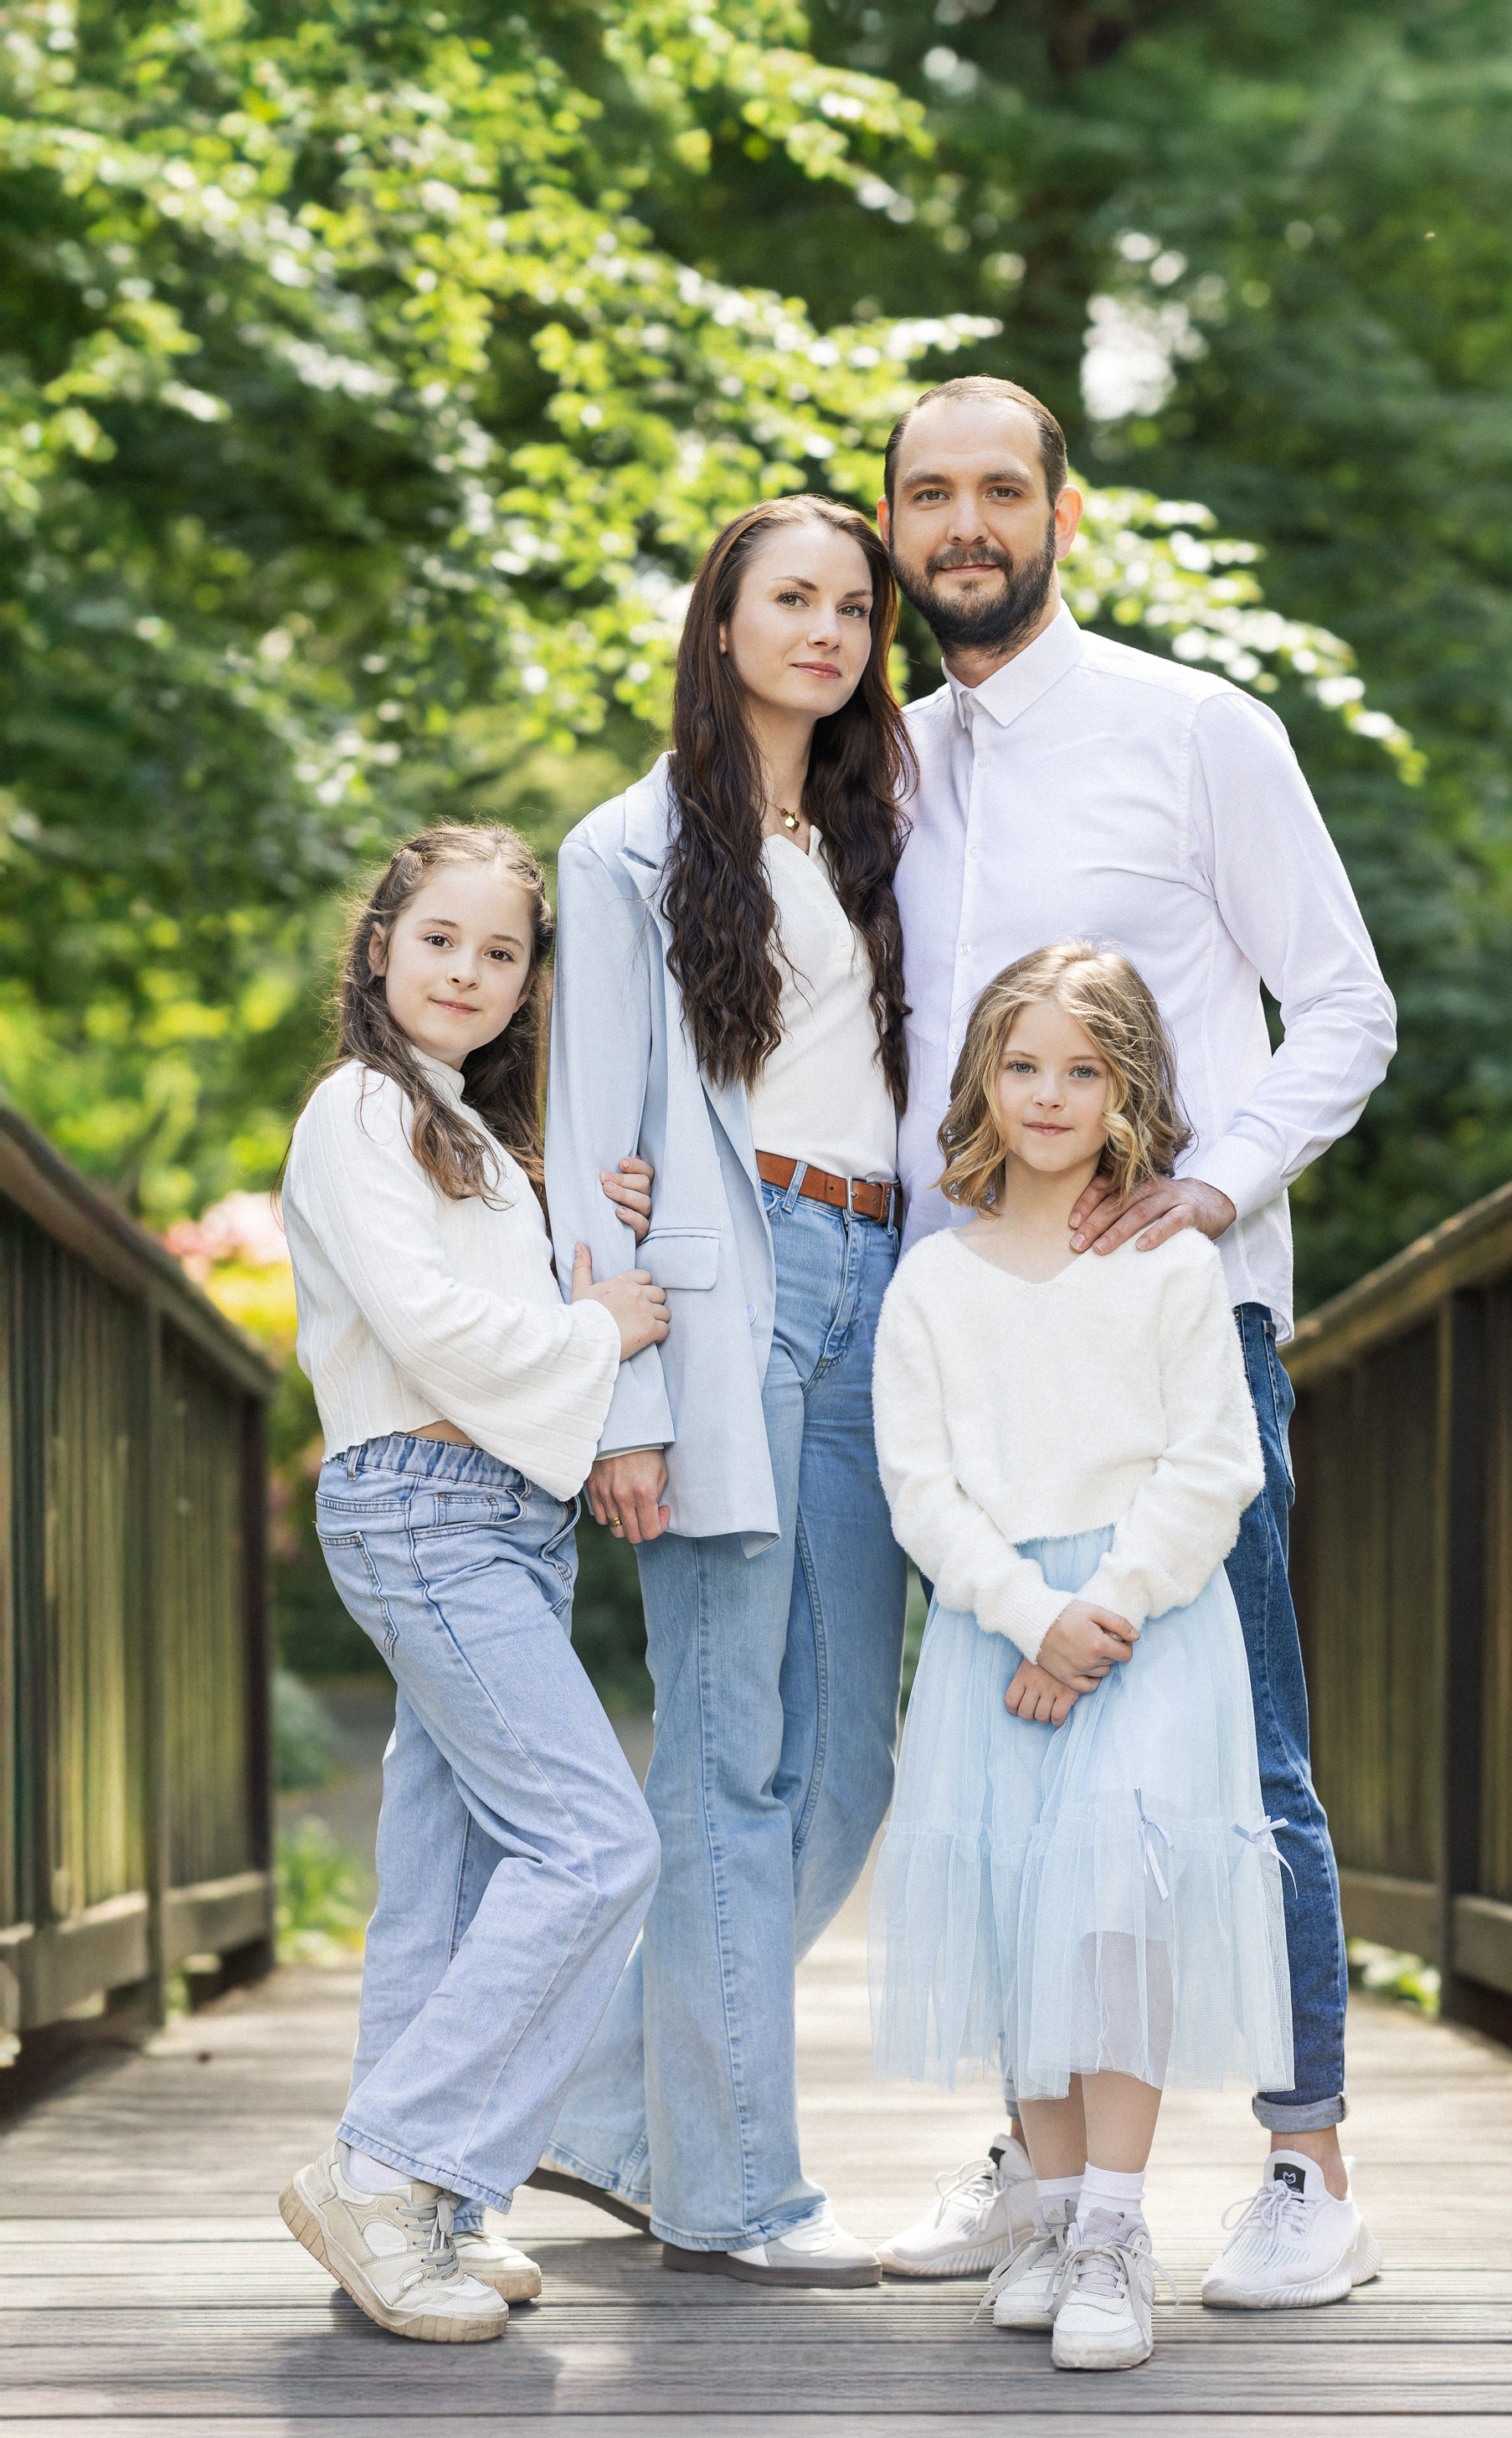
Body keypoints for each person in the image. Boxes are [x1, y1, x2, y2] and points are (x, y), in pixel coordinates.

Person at [875, 376, 1397, 2309]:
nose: (966, 524)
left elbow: (1341, 1005)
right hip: (980, 1338)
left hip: (1181, 1329)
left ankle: (1303, 2163)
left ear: (1060, 514)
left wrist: (1216, 1183)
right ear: (897, 524)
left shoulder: (1196, 732)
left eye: (1000, 488)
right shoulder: (889, 770)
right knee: (1024, 1774)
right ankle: (1044, 2165)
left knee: (1233, 1757)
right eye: (930, 494)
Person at [535, 496, 911, 2286]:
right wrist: (623, 1407)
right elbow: (586, 1129)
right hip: (722, 1296)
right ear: (724, 619)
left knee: (846, 1759)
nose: (826, 630)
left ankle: (605, 2113)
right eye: (792, 599)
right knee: (720, 1747)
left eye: (853, 606)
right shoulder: (625, 846)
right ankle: (734, 2188)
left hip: (877, 1289)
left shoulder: (874, 829)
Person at [872, 941, 1302, 2370]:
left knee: (1114, 1914)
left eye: (1082, 1069)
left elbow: (1214, 1463)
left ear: (1125, 1092)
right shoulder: (933, 1280)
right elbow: (920, 1487)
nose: (1049, 1094)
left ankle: (1117, 2225)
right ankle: (1051, 2212)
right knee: (1013, 1909)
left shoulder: (1173, 1262)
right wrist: (1021, 1612)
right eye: (1023, 1065)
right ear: (983, 1080)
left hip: (1148, 1627)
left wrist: (1099, 1614)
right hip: (998, 1635)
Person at [277, 821, 669, 2343]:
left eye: (502, 952)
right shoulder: (358, 1111)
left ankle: (425, 2205)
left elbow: (518, 1288)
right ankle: (385, 2168)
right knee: (592, 1842)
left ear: (528, 984)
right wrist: (602, 1330)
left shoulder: (468, 1138)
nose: (468, 970)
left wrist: (588, 1232)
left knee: (442, 1873)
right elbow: (435, 1332)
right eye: (440, 938)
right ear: (380, 946)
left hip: (499, 1518)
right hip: (427, 1512)